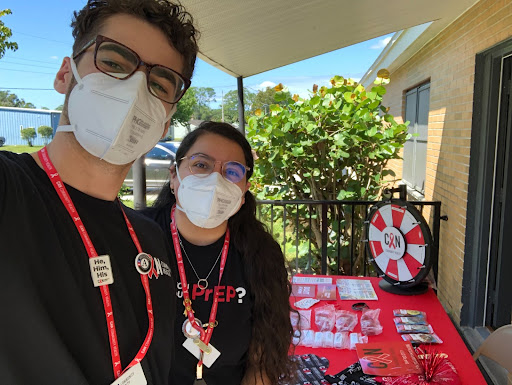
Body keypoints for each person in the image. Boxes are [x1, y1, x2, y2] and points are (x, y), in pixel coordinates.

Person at [0, 1, 198, 384]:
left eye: (159, 83)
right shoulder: (10, 191)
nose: (136, 88)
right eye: (114, 62)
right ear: (64, 74)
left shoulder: (150, 239)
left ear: (164, 125)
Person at [141, 121, 295, 385]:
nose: (215, 180)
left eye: (232, 171)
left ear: (244, 190)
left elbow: (263, 358)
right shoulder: (136, 237)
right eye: (201, 165)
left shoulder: (261, 253)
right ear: (174, 176)